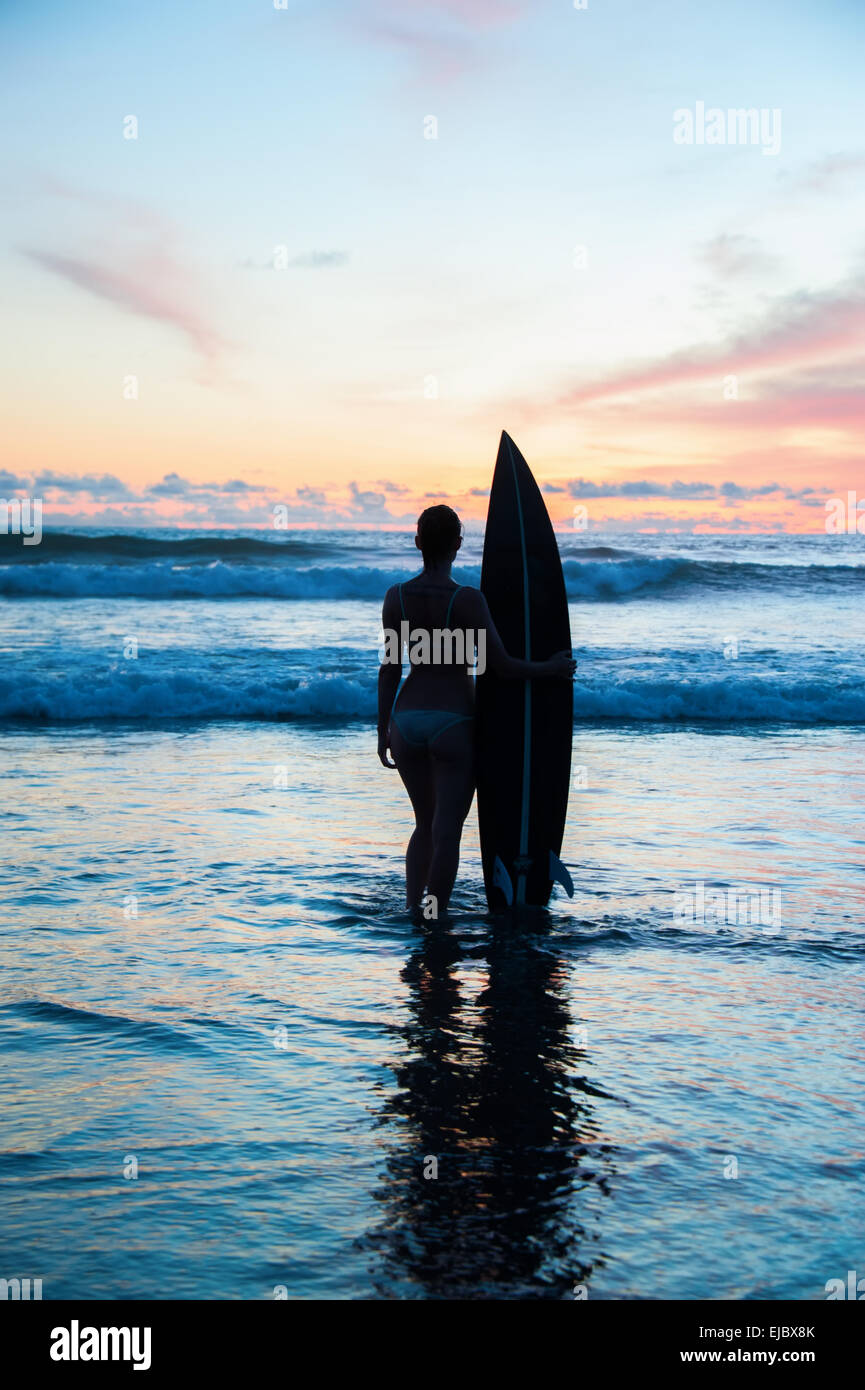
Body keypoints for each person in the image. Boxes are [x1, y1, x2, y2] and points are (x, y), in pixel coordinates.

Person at [378, 505, 575, 915]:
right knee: (446, 831)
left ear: (417, 543)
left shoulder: (395, 597)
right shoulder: (466, 600)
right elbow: (501, 666)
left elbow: (390, 668)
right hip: (453, 722)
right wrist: (550, 669)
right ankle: (435, 918)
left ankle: (416, 912)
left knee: (423, 827)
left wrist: (383, 730)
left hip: (407, 720)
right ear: (458, 545)